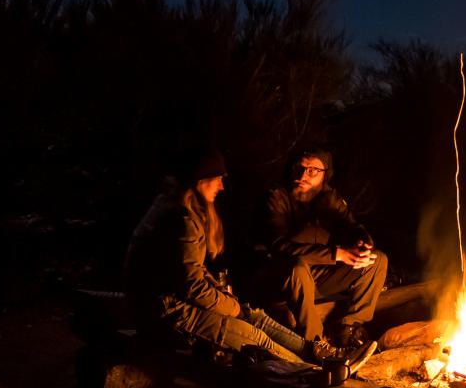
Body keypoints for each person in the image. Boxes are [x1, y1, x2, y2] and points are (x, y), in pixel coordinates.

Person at [124, 149, 374, 370]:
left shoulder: (184, 211)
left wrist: (224, 295)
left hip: (178, 303)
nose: (221, 186)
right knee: (256, 337)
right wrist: (229, 306)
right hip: (167, 312)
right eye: (218, 179)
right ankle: (314, 369)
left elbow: (193, 272)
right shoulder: (182, 219)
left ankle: (321, 354)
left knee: (254, 316)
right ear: (201, 180)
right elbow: (191, 286)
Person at [261, 147, 387, 349]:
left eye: (312, 170)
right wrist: (336, 254)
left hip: (318, 277)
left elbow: (352, 227)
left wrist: (363, 242)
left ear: (325, 175)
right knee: (297, 267)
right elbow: (279, 247)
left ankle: (348, 327)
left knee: (377, 260)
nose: (303, 175)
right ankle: (316, 344)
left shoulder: (329, 199)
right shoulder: (276, 197)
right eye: (300, 168)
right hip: (282, 280)